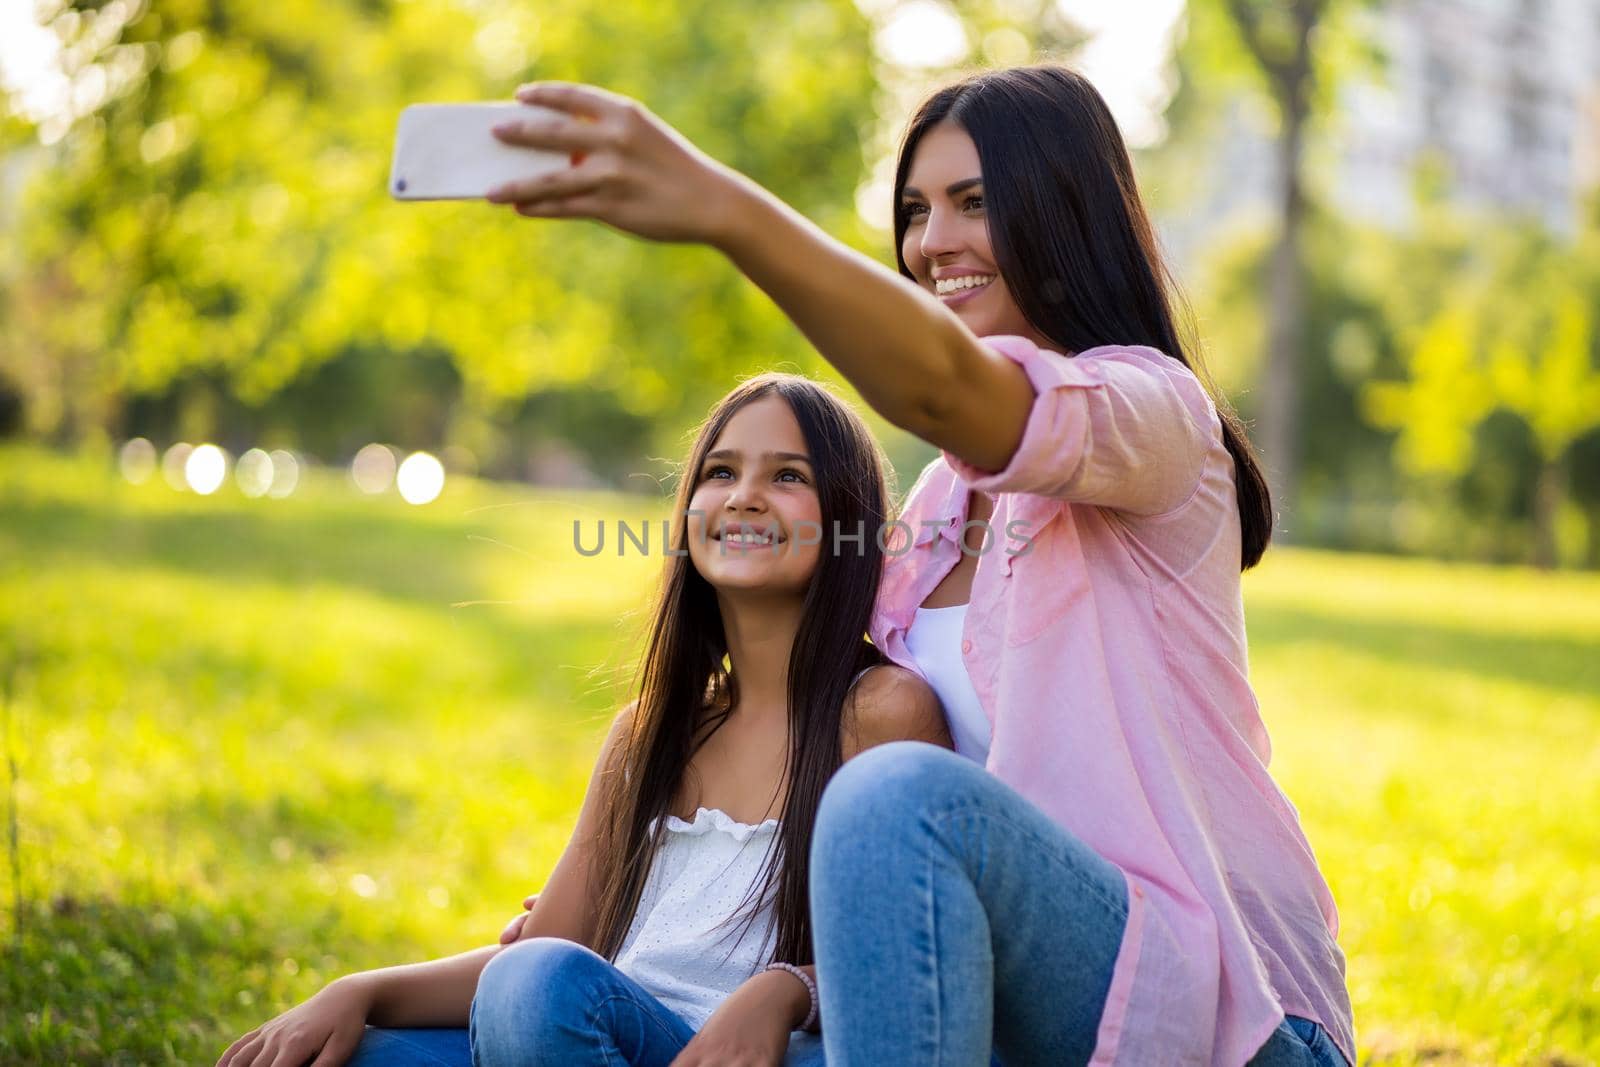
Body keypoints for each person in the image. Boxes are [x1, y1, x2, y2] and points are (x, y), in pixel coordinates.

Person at [486, 64, 1355, 1065]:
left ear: (1061, 211)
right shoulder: (936, 511)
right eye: (912, 209)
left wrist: (724, 211)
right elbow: (800, 703)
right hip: (997, 998)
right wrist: (647, 922)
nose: (930, 241)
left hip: (1215, 1014)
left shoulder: (1155, 418)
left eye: (971, 202)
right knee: (476, 1018)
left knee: (896, 794)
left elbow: (945, 387)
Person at [215, 373, 951, 1067]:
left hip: (769, 1050)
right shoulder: (651, 732)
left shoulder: (880, 711)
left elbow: (922, 954)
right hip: (599, 1035)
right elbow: (547, 949)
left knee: (537, 989)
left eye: (789, 476)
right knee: (355, 1053)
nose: (746, 496)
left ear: (847, 520)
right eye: (721, 472)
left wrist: (788, 988)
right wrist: (361, 990)